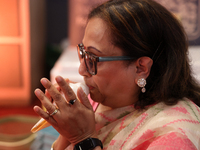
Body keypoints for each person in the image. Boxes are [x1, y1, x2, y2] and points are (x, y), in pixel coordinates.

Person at [33, 0, 200, 149]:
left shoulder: (175, 136)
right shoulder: (100, 98)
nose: (81, 70)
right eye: (83, 52)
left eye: (93, 58)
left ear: (141, 68)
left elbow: (81, 141)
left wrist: (84, 139)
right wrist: (68, 125)